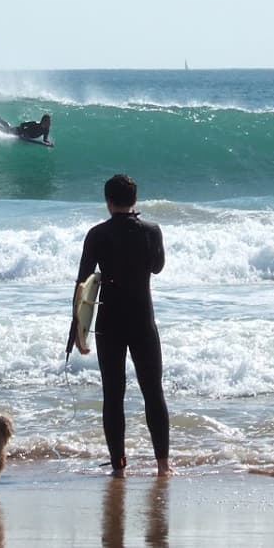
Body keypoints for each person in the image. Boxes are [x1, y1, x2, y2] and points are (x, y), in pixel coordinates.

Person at [71, 174, 172, 478]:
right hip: (142, 320)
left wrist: (77, 330)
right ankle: (163, 467)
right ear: (135, 200)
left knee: (113, 394)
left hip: (109, 322)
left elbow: (83, 285)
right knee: (153, 391)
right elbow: (157, 267)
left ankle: (118, 466)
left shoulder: (97, 234)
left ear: (108, 201)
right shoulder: (151, 231)